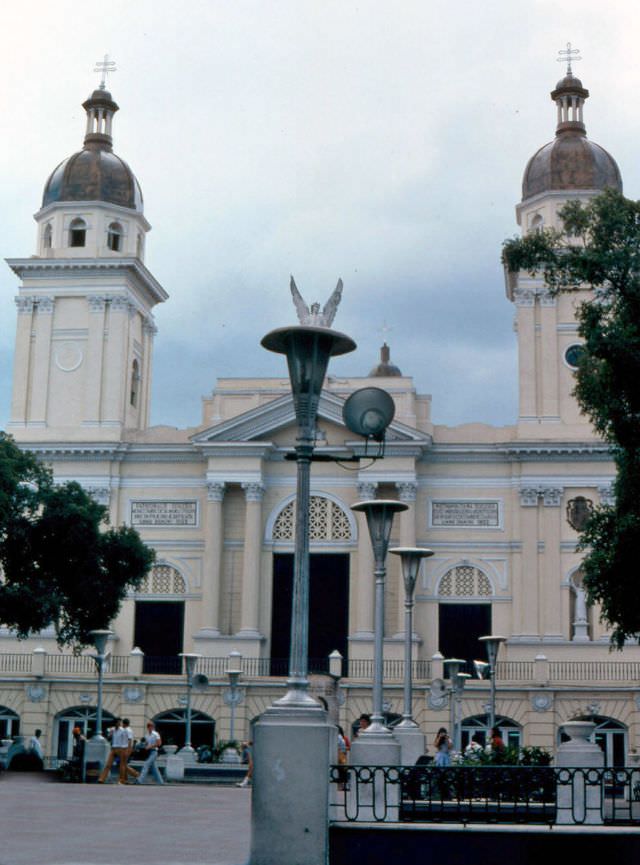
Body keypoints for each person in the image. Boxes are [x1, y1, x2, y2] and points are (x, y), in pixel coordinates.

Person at [98, 717, 131, 784]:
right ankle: (102, 779)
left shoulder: (123, 730)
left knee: (122, 766)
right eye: (118, 722)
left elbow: (126, 739)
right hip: (113, 749)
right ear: (115, 723)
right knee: (108, 765)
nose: (120, 723)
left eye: (120, 722)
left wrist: (127, 749)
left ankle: (125, 779)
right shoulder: (112, 729)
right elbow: (108, 736)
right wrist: (109, 735)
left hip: (120, 749)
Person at [135, 721, 165, 785]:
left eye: (151, 726)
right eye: (148, 726)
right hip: (149, 752)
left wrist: (150, 746)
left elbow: (159, 743)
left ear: (153, 727)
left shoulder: (156, 734)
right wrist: (139, 745)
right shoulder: (147, 735)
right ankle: (161, 782)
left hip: (154, 752)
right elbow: (145, 743)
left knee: (146, 764)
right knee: (154, 769)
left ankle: (140, 780)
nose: (150, 728)